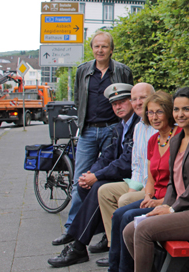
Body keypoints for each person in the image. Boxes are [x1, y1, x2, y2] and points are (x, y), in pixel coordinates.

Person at [47, 83, 152, 268]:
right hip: (131, 178)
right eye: (114, 104)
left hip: (132, 179)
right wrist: (91, 173)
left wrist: (97, 177)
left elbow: (127, 162)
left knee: (98, 188)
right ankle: (106, 236)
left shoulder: (142, 123)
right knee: (85, 185)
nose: (119, 107)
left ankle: (79, 245)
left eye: (123, 102)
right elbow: (109, 155)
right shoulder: (123, 126)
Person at [53, 31, 134, 246]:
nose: (100, 50)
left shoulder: (123, 71)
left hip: (112, 130)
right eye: (97, 46)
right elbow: (79, 99)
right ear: (92, 48)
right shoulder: (83, 71)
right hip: (89, 130)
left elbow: (127, 100)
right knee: (81, 178)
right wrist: (82, 123)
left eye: (104, 46)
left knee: (107, 179)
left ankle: (105, 234)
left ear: (111, 49)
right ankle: (72, 229)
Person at [122, 87, 189, 272]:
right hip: (179, 207)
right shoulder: (176, 138)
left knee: (143, 230)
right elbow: (173, 181)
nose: (180, 114)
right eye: (176, 109)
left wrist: (172, 208)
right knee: (129, 230)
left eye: (186, 109)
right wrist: (166, 205)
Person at [97, 91, 181, 271]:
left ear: (168, 112)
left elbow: (181, 182)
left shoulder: (180, 137)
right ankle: (115, 269)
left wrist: (159, 201)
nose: (154, 117)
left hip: (169, 201)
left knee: (128, 216)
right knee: (119, 215)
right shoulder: (154, 140)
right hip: (154, 196)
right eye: (150, 113)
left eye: (159, 112)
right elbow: (150, 178)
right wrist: (148, 195)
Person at [96, 84, 159, 258]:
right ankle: (113, 246)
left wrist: (139, 192)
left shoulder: (160, 125)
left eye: (143, 98)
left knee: (125, 200)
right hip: (140, 183)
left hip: (155, 187)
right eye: (134, 99)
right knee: (104, 191)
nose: (138, 103)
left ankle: (126, 252)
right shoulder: (139, 127)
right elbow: (137, 165)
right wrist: (133, 188)